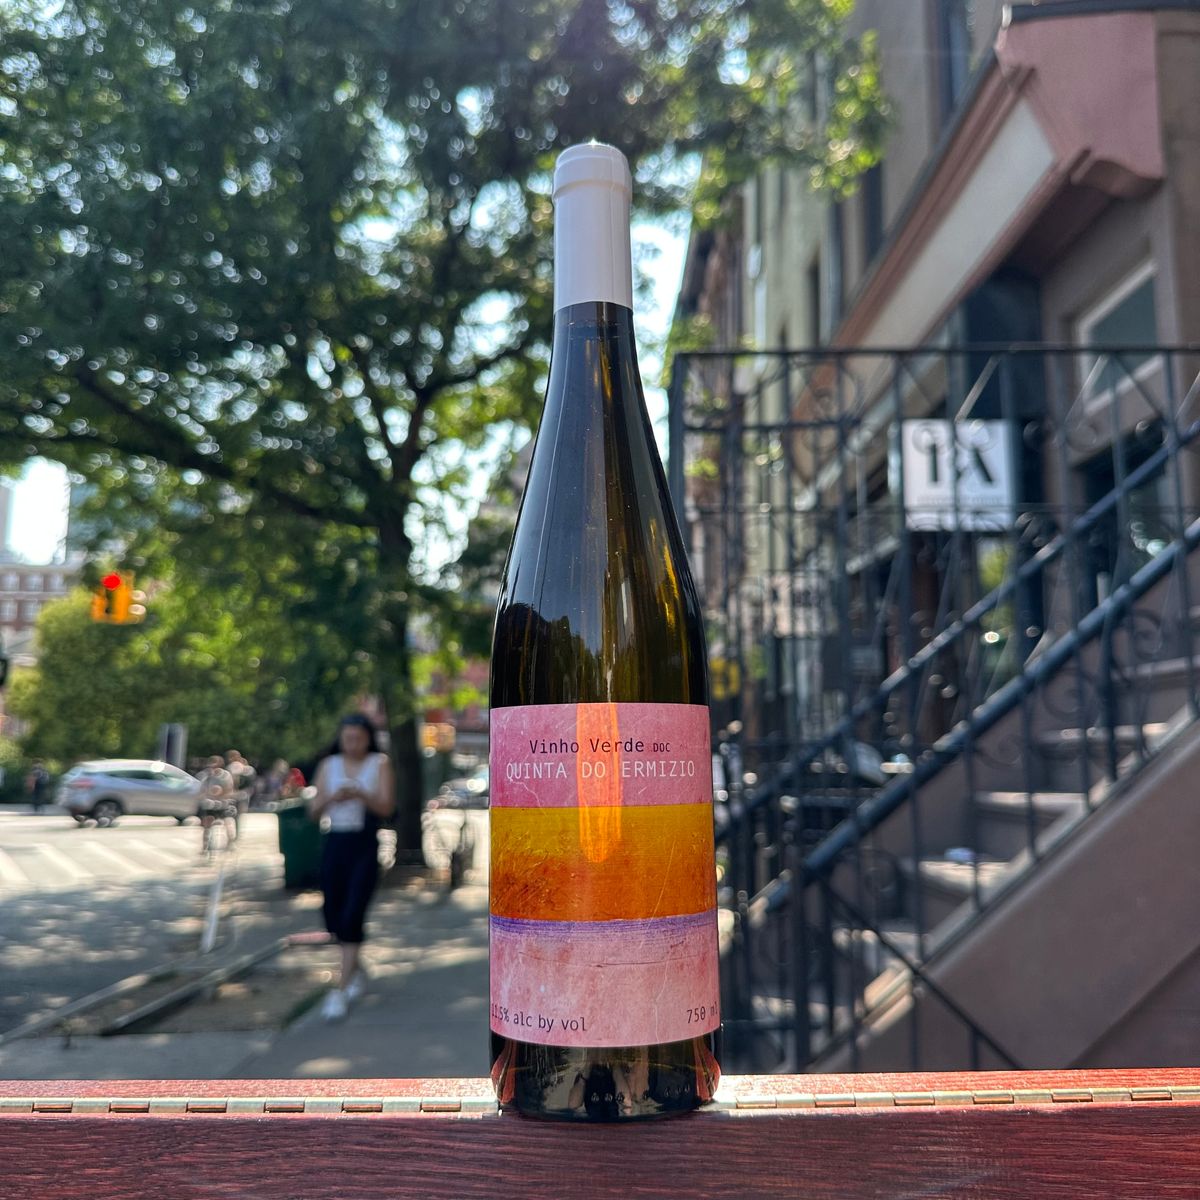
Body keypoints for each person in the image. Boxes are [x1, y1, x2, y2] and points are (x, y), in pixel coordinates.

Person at [309, 714, 395, 1021]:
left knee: (353, 912)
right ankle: (355, 965)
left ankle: (341, 988)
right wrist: (332, 797)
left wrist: (361, 794)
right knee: (333, 915)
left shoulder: (379, 763)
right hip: (335, 842)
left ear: (368, 738)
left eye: (358, 738)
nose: (353, 743)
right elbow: (313, 811)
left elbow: (387, 807)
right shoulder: (328, 765)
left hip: (364, 844)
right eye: (348, 738)